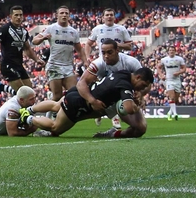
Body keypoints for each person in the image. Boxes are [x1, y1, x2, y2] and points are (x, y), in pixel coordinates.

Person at [23, 45, 154, 139]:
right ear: (138, 77)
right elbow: (129, 108)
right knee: (55, 128)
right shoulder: (125, 84)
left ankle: (30, 110)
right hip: (78, 102)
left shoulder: (123, 73)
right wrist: (136, 104)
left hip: (78, 92)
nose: (142, 88)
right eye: (143, 85)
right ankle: (28, 118)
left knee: (56, 105)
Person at [32, 6, 88, 111]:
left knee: (74, 93)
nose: (64, 15)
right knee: (57, 96)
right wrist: (43, 38)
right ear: (57, 15)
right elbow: (34, 41)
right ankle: (46, 114)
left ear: (69, 15)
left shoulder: (73, 32)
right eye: (62, 13)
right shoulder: (51, 28)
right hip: (54, 66)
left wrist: (85, 61)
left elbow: (79, 49)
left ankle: (65, 114)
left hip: (68, 66)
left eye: (66, 13)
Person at [85, 8, 133, 129]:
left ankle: (115, 117)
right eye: (107, 15)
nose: (109, 16)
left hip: (118, 63)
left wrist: (116, 45)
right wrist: (87, 57)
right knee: (101, 89)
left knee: (114, 89)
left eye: (111, 14)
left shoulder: (121, 29)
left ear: (114, 17)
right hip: (102, 63)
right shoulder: (97, 29)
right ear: (103, 17)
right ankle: (100, 113)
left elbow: (129, 46)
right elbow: (88, 44)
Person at [0, 5, 45, 96]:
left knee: (30, 93)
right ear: (11, 16)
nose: (19, 17)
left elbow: (27, 48)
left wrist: (36, 59)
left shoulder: (24, 31)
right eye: (16, 15)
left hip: (19, 65)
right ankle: (2, 88)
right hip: (8, 65)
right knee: (24, 94)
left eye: (20, 15)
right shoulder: (5, 29)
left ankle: (1, 87)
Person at [160, 46, 186, 121]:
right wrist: (161, 75)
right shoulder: (164, 59)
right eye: (170, 50)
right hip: (169, 80)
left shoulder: (179, 59)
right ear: (168, 51)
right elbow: (158, 67)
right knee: (171, 97)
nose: (171, 51)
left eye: (173, 50)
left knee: (176, 100)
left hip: (177, 80)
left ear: (175, 51)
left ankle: (169, 113)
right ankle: (175, 114)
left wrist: (178, 72)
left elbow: (184, 68)